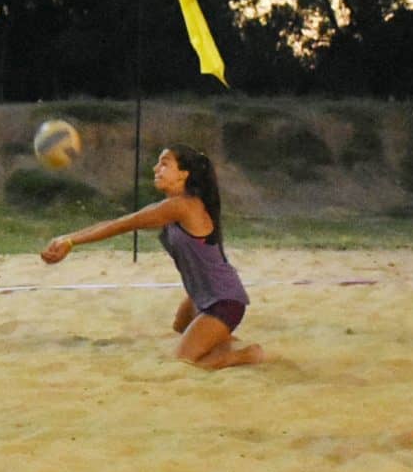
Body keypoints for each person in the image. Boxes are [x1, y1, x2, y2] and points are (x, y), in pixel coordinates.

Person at [41, 144, 263, 370]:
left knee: (185, 361)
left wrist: (69, 240)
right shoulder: (177, 206)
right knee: (181, 327)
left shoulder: (182, 206)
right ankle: (221, 339)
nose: (156, 168)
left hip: (223, 300)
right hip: (203, 294)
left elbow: (123, 224)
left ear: (184, 174)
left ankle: (247, 355)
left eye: (165, 164)